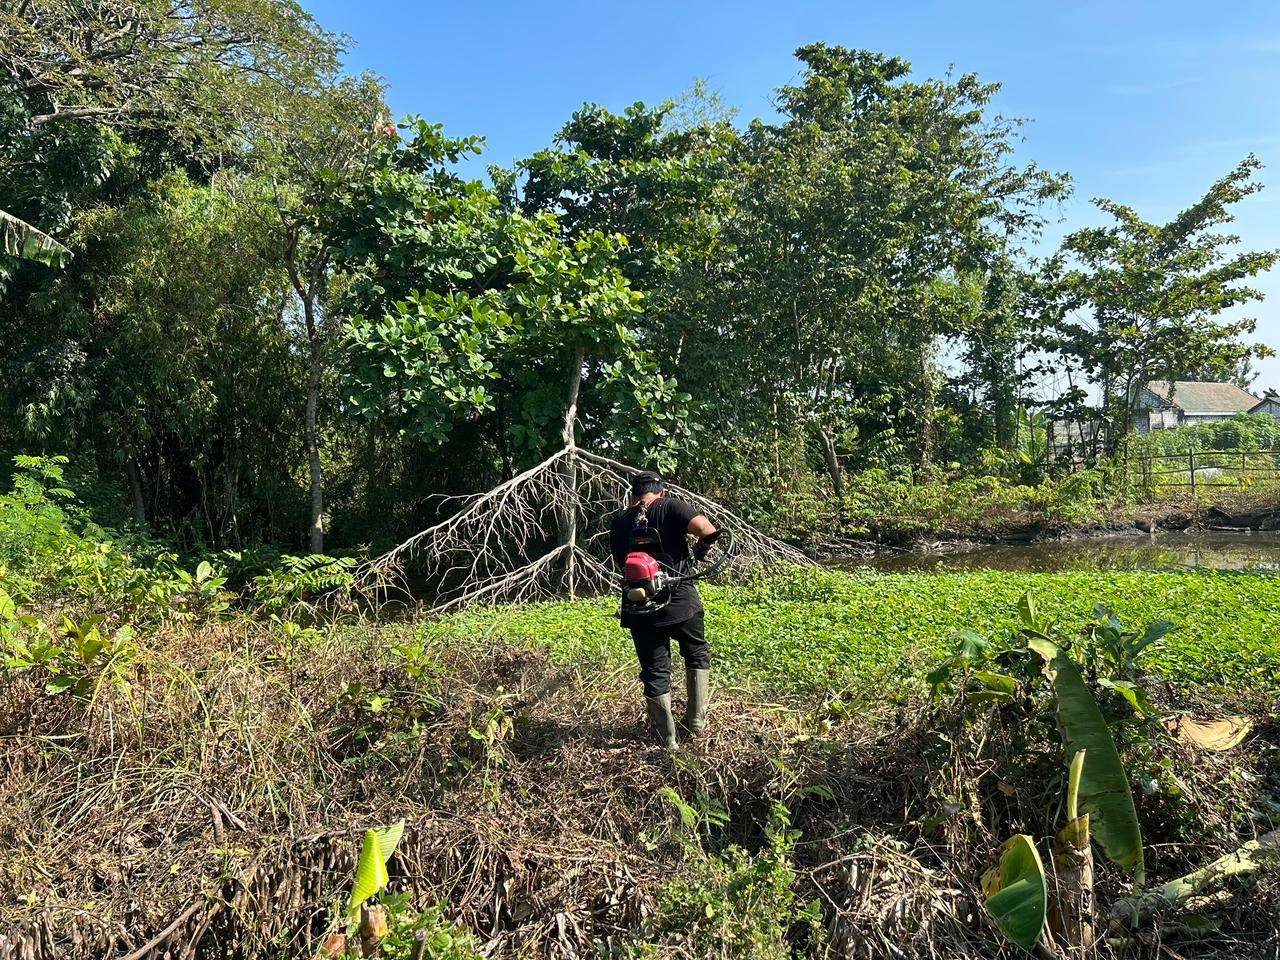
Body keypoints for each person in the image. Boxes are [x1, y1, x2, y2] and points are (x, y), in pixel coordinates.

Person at [610, 470, 719, 749]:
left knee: (655, 671)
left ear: (634, 495)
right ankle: (696, 723)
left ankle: (667, 742)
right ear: (661, 492)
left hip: (639, 606)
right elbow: (706, 529)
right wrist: (703, 546)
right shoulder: (671, 506)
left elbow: (620, 566)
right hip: (681, 601)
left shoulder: (620, 520)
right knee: (696, 653)